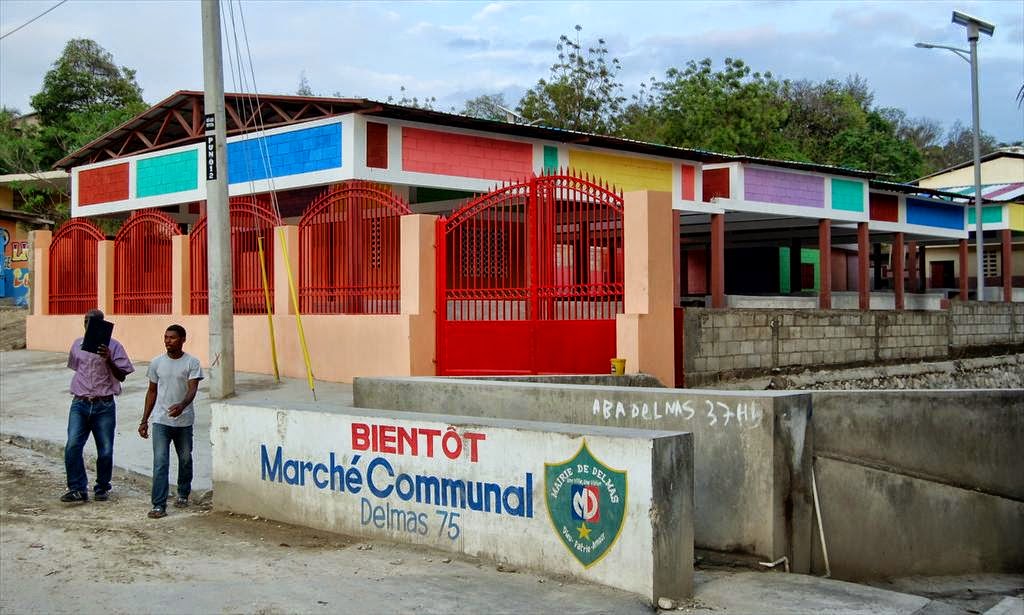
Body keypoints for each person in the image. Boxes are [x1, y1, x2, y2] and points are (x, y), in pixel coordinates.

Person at [62, 308, 134, 503]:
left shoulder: (114, 346)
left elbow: (122, 376)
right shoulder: (77, 345)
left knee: (105, 450)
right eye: (85, 320)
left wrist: (108, 359)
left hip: (104, 405)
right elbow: (77, 368)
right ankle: (77, 488)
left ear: (101, 325)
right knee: (72, 446)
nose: (87, 324)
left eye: (92, 321)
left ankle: (102, 487)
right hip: (80, 403)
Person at [138, 324, 203, 519]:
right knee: (160, 462)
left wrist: (182, 406)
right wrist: (144, 420)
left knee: (185, 458)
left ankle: (183, 492)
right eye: (166, 337)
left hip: (184, 421)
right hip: (160, 420)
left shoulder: (192, 362)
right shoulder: (157, 363)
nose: (168, 341)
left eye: (172, 338)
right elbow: (151, 391)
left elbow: (192, 389)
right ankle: (158, 504)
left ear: (183, 339)